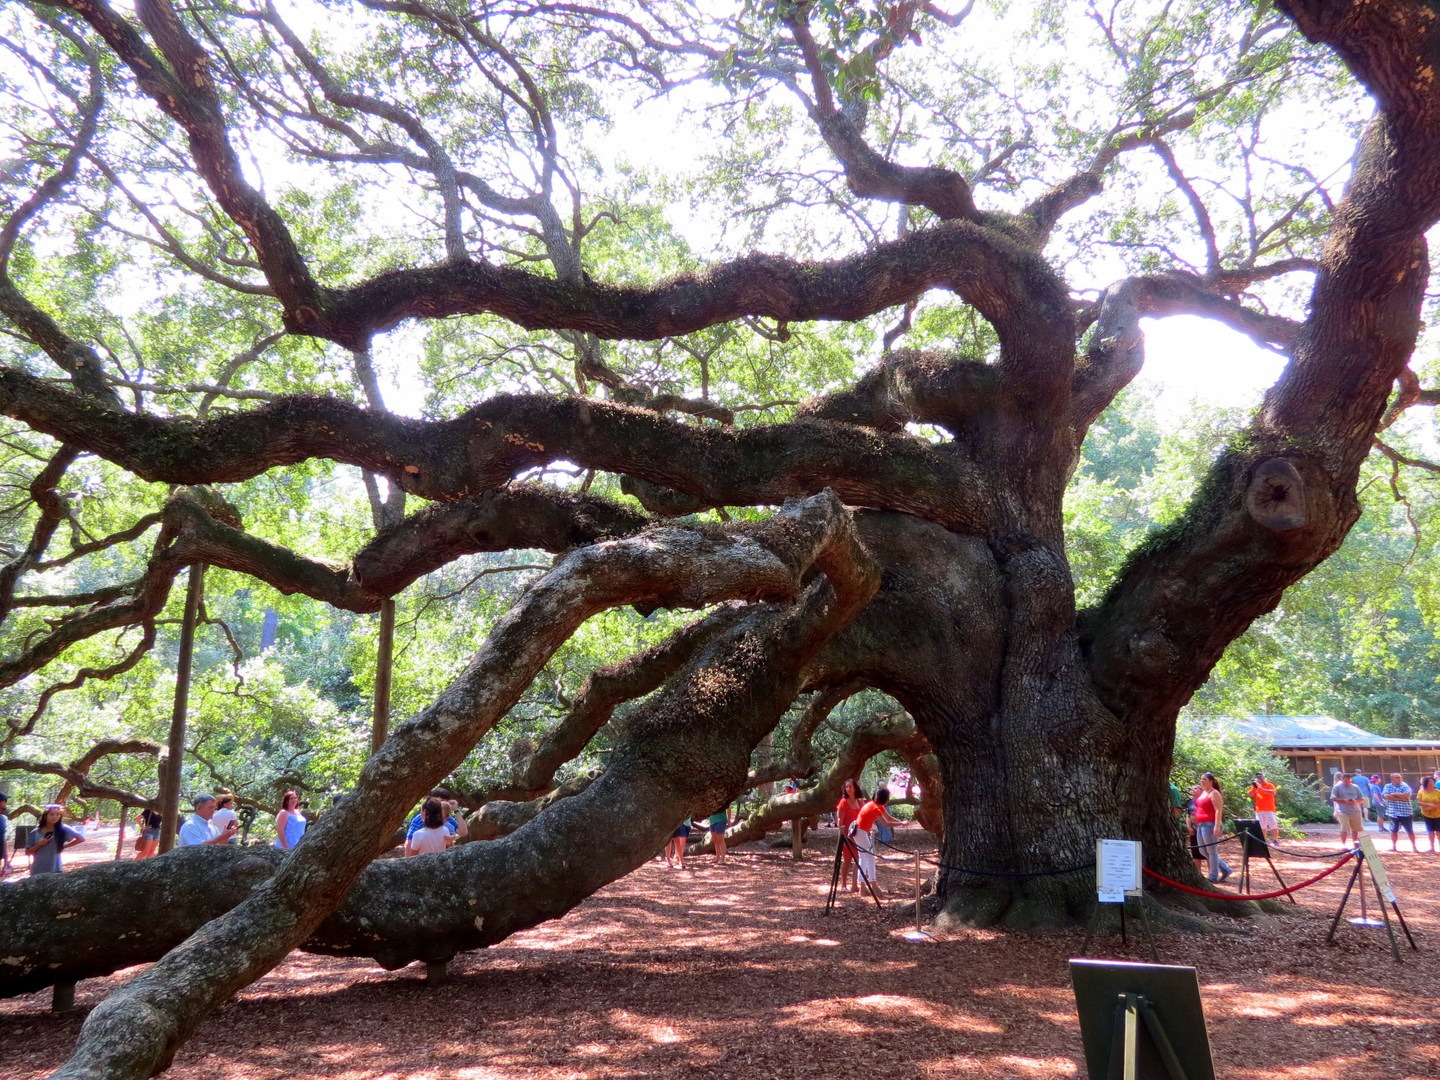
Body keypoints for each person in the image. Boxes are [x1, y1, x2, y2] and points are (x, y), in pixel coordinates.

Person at [853, 786, 900, 893]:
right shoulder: (875, 807)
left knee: (864, 858)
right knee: (870, 858)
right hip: (860, 832)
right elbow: (886, 823)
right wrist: (901, 824)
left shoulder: (877, 805)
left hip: (861, 832)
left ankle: (863, 887)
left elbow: (888, 818)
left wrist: (901, 822)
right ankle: (873, 885)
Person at [1194, 773, 1232, 884]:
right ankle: (1225, 869)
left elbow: (1218, 810)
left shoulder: (1214, 793)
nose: (1202, 781)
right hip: (1200, 825)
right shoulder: (1203, 793)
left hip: (1210, 824)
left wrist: (1217, 825)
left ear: (1211, 781)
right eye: (1201, 779)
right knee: (1202, 850)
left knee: (1211, 851)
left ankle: (1213, 875)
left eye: (1204, 779)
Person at [25, 804, 84, 875]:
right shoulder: (35, 832)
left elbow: (81, 838)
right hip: (38, 870)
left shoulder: (63, 829)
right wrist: (39, 844)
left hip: (56, 869)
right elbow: (27, 852)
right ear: (45, 816)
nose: (55, 817)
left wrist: (64, 846)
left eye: (58, 814)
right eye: (51, 814)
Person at [835, 778, 865, 893]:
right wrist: (843, 836)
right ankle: (843, 884)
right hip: (847, 836)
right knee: (847, 860)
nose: (848, 789)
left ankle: (854, 885)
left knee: (858, 860)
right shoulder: (843, 802)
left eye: (850, 786)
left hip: (857, 835)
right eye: (846, 787)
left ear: (855, 788)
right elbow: (840, 821)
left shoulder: (859, 801)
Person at [1382, 773, 1418, 853]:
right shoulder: (1388, 786)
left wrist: (1394, 794)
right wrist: (1401, 797)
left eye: (1400, 777)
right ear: (1392, 779)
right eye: (1397, 777)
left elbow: (1407, 796)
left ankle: (1414, 847)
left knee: (1409, 830)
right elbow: (1386, 796)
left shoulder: (1405, 785)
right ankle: (1394, 847)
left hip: (1405, 812)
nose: (1399, 778)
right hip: (1393, 812)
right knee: (1394, 830)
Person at [1330, 771, 1365, 845]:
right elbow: (1332, 798)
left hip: (1355, 811)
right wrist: (1343, 800)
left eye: (1349, 780)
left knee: (1355, 829)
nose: (1347, 782)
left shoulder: (1355, 787)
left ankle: (1355, 844)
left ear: (1351, 780)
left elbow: (1362, 799)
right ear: (1342, 780)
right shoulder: (1337, 787)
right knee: (1344, 829)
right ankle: (1343, 844)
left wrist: (1355, 801)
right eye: (1345, 780)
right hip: (1343, 811)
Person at [1247, 771, 1281, 844]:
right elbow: (1249, 794)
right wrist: (1254, 787)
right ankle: (1263, 840)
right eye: (1258, 777)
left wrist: (1262, 789)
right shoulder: (1255, 786)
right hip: (1259, 809)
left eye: (1261, 777)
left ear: (1264, 777)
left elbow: (1273, 792)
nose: (1260, 779)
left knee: (1273, 824)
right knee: (1261, 826)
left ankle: (1275, 840)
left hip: (1269, 809)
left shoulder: (1270, 785)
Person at [1416, 777, 1440, 854]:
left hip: (1438, 814)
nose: (1431, 783)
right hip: (1427, 814)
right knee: (1430, 831)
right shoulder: (1421, 792)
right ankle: (1432, 848)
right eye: (1429, 782)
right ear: (1426, 783)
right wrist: (1428, 804)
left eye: (1432, 782)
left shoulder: (1438, 792)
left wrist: (1435, 806)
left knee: (1438, 832)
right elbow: (1419, 802)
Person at [1184, 785, 1206, 871]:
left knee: (1207, 853)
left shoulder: (1205, 800)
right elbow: (1188, 815)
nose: (1193, 790)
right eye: (1192, 789)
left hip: (1204, 829)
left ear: (1201, 790)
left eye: (1195, 788)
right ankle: (1198, 873)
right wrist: (1189, 827)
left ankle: (1212, 875)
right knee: (1196, 853)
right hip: (1194, 830)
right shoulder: (1191, 803)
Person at [0, 791, 12, 877]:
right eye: (5, 801)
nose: (6, 803)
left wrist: (6, 859)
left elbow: (2, 838)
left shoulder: (2, 818)